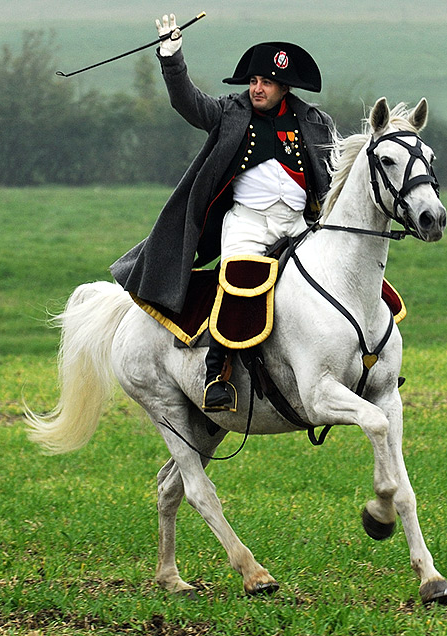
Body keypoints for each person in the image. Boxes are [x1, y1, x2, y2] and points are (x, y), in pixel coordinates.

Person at [109, 14, 337, 411]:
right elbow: (188, 102)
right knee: (235, 283)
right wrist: (171, 56)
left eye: (265, 82)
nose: (257, 89)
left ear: (285, 87)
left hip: (299, 225)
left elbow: (332, 174)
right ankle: (216, 373)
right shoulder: (230, 113)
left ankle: (365, 359)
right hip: (247, 224)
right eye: (253, 81)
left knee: (341, 275)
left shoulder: (314, 122)